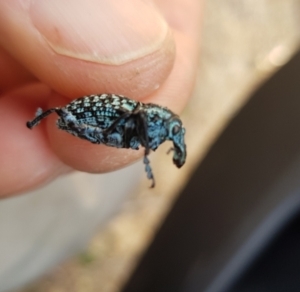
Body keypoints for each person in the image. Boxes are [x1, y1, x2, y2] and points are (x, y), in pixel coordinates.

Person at [0, 0, 202, 198]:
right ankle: (40, 118)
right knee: (68, 122)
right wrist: (147, 159)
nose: (175, 138)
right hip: (98, 114)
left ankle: (44, 118)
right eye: (174, 131)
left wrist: (175, 148)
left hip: (106, 128)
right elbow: (139, 119)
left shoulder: (147, 127)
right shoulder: (141, 117)